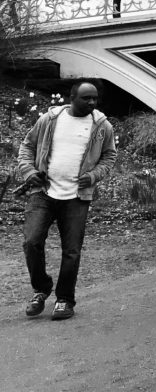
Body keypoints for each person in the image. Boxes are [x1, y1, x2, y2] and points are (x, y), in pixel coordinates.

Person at [18, 80, 117, 320]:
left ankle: (65, 300)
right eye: (86, 98)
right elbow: (27, 147)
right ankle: (41, 289)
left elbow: (109, 156)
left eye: (94, 98)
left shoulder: (102, 126)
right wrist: (30, 172)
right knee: (31, 242)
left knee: (71, 251)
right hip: (43, 191)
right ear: (72, 97)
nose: (92, 102)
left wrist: (93, 176)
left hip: (76, 197)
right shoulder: (49, 120)